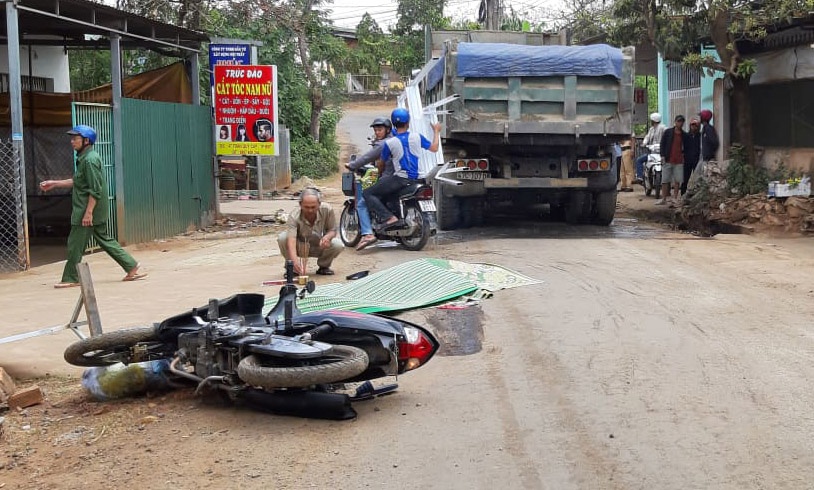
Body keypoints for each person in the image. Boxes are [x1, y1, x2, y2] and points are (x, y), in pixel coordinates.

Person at [40, 125, 147, 288]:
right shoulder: (86, 158)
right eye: (72, 138)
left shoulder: (89, 160)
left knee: (75, 244)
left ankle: (71, 277)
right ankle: (131, 266)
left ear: (86, 141)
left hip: (87, 209)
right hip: (94, 209)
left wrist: (88, 213)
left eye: (75, 138)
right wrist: (55, 184)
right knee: (104, 239)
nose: (72, 141)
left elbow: (95, 189)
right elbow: (79, 181)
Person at [363, 108, 441, 228]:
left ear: (393, 124)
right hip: (420, 178)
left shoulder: (389, 143)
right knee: (391, 194)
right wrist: (436, 131)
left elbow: (381, 164)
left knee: (368, 193)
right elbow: (434, 148)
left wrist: (379, 173)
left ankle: (389, 217)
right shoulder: (417, 137)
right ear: (408, 123)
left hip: (401, 179)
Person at [345, 117, 393, 251]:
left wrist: (352, 165)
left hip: (389, 177)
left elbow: (367, 157)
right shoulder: (399, 139)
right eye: (376, 130)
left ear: (387, 130)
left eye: (380, 130)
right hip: (407, 177)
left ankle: (367, 233)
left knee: (363, 201)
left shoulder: (383, 144)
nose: (377, 132)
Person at [276, 187, 344, 276]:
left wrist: (327, 237)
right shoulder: (294, 216)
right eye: (306, 207)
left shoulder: (327, 209)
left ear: (319, 204)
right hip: (300, 246)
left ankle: (324, 266)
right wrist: (294, 261)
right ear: (300, 204)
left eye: (313, 207)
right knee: (282, 238)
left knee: (338, 244)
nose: (310, 210)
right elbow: (291, 240)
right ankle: (292, 268)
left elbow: (332, 230)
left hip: (319, 245)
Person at [656, 115, 686, 206]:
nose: (679, 123)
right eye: (678, 121)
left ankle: (675, 198)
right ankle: (664, 198)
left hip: (679, 160)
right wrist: (662, 156)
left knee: (677, 180)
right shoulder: (668, 132)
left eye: (681, 122)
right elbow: (662, 144)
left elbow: (686, 147)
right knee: (665, 180)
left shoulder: (684, 135)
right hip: (668, 159)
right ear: (675, 122)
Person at [635, 113, 667, 183]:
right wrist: (644, 143)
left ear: (653, 120)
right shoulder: (651, 129)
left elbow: (667, 135)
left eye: (651, 120)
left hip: (661, 153)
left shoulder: (662, 128)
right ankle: (640, 176)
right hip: (653, 153)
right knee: (639, 160)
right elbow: (647, 137)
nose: (651, 122)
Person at [681, 117, 701, 195]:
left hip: (697, 159)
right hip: (687, 160)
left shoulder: (700, 136)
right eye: (692, 125)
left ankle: (697, 195)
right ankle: (683, 194)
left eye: (695, 125)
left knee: (698, 179)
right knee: (685, 179)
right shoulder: (686, 136)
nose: (694, 127)